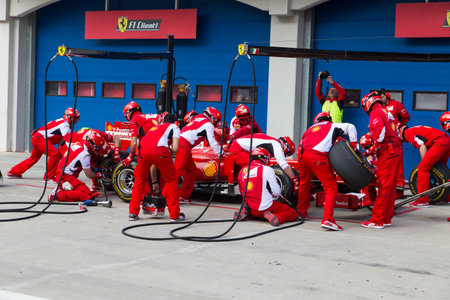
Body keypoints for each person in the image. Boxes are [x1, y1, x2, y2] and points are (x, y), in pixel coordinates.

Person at [297, 112, 358, 231]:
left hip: (303, 158)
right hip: (318, 158)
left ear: (316, 121)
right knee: (331, 188)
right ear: (328, 119)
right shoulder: (332, 126)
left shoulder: (309, 129)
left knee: (304, 185)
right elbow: (351, 127)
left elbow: (300, 146)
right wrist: (354, 148)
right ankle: (328, 219)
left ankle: (301, 212)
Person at [128, 113, 184, 222]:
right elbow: (176, 148)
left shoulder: (155, 127)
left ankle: (132, 213)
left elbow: (152, 159)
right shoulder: (175, 127)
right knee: (172, 180)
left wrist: (154, 182)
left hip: (143, 150)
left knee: (139, 180)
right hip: (160, 151)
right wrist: (170, 153)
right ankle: (174, 215)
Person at [360, 92, 401, 229]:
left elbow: (381, 133)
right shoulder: (387, 112)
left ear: (368, 103)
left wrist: (373, 148)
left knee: (383, 187)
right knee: (390, 187)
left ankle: (377, 220)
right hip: (395, 151)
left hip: (387, 152)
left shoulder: (376, 113)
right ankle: (386, 218)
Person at [7, 108, 80, 183]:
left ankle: (12, 173)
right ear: (68, 117)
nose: (75, 122)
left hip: (36, 137)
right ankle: (48, 177)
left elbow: (61, 141)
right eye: (74, 119)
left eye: (77, 120)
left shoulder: (62, 122)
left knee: (33, 158)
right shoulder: (65, 126)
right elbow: (67, 141)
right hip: (39, 139)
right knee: (54, 154)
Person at [234, 147, 299, 226]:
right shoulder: (267, 169)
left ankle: (245, 213)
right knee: (293, 212)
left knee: (252, 207)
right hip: (266, 207)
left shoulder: (242, 171)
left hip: (250, 208)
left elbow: (242, 192)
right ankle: (276, 217)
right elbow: (276, 192)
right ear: (265, 158)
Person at [175, 107, 223, 203]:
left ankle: (183, 196)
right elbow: (212, 142)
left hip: (182, 142)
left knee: (191, 170)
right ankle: (166, 196)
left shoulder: (198, 117)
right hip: (184, 144)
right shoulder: (208, 124)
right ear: (212, 118)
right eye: (216, 121)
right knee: (177, 171)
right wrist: (222, 154)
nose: (216, 123)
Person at [397, 123, 450, 208]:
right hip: (447, 140)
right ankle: (447, 197)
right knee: (442, 170)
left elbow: (422, 146)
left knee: (423, 168)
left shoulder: (408, 133)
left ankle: (422, 201)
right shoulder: (415, 128)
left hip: (440, 142)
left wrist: (425, 162)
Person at [48, 130, 110, 202]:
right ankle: (58, 195)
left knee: (87, 192)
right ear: (94, 147)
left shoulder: (79, 144)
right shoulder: (85, 154)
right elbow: (89, 174)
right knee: (87, 195)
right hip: (65, 176)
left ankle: (63, 188)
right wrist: (98, 175)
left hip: (62, 173)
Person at [228, 133, 298, 192]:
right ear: (285, 146)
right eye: (287, 154)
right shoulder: (276, 144)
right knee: (256, 170)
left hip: (238, 147)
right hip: (237, 148)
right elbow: (284, 164)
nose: (285, 156)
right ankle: (251, 192)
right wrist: (295, 180)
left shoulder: (271, 141)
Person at [61, 127, 121, 191]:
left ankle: (96, 183)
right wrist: (96, 175)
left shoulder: (98, 134)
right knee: (76, 170)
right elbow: (88, 173)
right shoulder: (84, 149)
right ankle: (63, 184)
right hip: (65, 145)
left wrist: (116, 153)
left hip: (83, 143)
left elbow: (116, 139)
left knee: (93, 158)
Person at [378, 88, 410, 198]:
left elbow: (406, 117)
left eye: (382, 96)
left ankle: (399, 187)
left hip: (395, 139)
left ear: (387, 95)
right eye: (379, 97)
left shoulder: (396, 104)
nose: (381, 99)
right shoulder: (378, 108)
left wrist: (398, 128)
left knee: (398, 162)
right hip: (383, 139)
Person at [121, 101, 159, 168]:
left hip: (153, 149)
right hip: (166, 145)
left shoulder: (134, 120)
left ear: (128, 113)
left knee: (140, 171)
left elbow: (133, 142)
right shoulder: (151, 115)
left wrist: (130, 156)